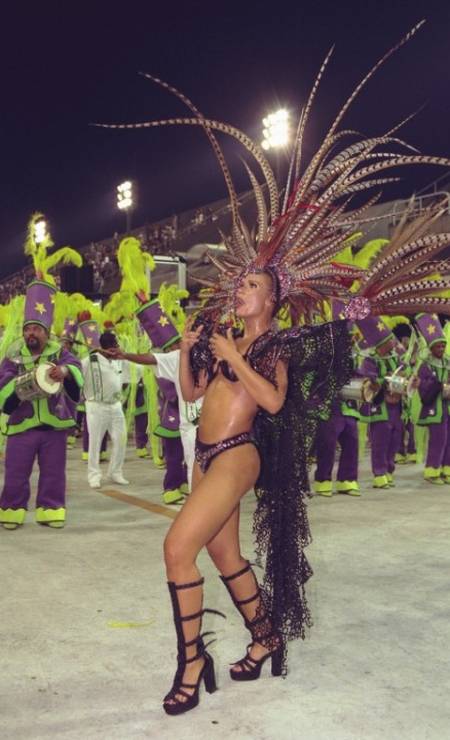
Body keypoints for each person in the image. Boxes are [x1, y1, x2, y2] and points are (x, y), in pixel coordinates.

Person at [0, 281, 83, 529]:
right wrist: (20, 384)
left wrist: (65, 371)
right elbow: (2, 382)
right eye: (28, 330)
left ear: (47, 333)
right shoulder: (13, 356)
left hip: (54, 423)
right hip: (21, 424)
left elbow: (77, 369)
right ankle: (12, 509)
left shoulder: (60, 354)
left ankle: (51, 508)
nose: (31, 334)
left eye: (36, 329)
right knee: (15, 471)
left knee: (54, 471)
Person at [81, 330, 130, 488]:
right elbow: (76, 375)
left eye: (115, 345)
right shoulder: (89, 360)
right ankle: (94, 475)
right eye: (111, 346)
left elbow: (128, 378)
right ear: (104, 346)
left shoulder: (120, 360)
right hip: (96, 405)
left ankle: (115, 472)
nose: (114, 349)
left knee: (121, 439)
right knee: (95, 441)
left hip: (116, 405)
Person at [415, 313, 450, 484]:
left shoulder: (448, 363)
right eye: (438, 347)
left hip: (447, 407)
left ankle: (446, 469)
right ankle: (432, 471)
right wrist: (440, 384)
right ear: (431, 348)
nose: (441, 349)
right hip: (435, 409)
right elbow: (424, 389)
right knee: (438, 440)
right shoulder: (425, 366)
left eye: (443, 346)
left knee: (449, 440)